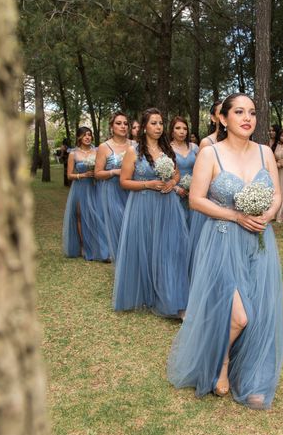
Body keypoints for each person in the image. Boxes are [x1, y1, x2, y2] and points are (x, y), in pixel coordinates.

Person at [168, 93, 283, 410]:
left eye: (252, 113)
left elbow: (276, 195)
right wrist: (236, 215)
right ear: (223, 118)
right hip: (222, 240)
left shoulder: (265, 154)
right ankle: (220, 363)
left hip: (259, 241)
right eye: (239, 112)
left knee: (258, 311)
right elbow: (196, 200)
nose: (247, 118)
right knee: (239, 316)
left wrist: (267, 215)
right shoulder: (211, 154)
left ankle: (252, 374)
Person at [112, 108, 190, 318]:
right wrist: (149, 184)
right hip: (143, 205)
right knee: (147, 248)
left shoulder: (167, 150)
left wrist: (172, 183)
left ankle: (172, 297)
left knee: (170, 249)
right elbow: (124, 182)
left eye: (161, 123)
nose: (158, 127)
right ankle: (148, 294)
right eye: (154, 123)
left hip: (167, 205)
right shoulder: (133, 151)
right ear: (144, 126)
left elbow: (176, 174)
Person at [62, 127, 106, 261]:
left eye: (89, 135)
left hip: (95, 186)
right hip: (80, 187)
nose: (87, 137)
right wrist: (83, 175)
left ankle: (98, 245)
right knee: (81, 216)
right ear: (79, 137)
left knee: (97, 215)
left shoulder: (98, 151)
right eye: (84, 135)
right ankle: (83, 245)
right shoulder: (73, 154)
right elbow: (69, 175)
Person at [169, 116, 206, 273]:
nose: (182, 131)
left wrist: (194, 187)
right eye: (178, 128)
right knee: (177, 232)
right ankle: (178, 266)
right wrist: (177, 188)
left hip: (193, 194)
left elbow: (202, 170)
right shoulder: (166, 148)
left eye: (184, 128)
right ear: (171, 130)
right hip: (174, 194)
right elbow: (163, 174)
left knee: (193, 231)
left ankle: (193, 266)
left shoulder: (195, 147)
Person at [94, 111, 132, 261]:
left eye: (125, 123)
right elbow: (97, 173)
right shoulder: (104, 147)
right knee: (119, 221)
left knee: (130, 222)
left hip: (131, 189)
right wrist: (115, 171)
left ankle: (130, 254)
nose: (123, 126)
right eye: (118, 123)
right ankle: (119, 256)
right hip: (112, 190)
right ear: (111, 127)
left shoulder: (134, 145)